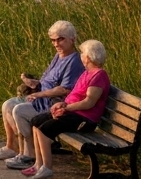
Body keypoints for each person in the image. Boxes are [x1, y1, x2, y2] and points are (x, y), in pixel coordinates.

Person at [0, 21, 85, 170]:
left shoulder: (74, 61)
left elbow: (64, 90)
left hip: (52, 105)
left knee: (19, 111)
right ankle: (12, 146)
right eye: (53, 40)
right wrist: (32, 83)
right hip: (41, 99)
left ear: (72, 39)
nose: (56, 43)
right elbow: (47, 81)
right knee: (7, 105)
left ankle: (29, 154)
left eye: (60, 39)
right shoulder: (59, 55)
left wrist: (40, 94)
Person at [22, 39, 110, 179]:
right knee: (36, 121)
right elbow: (74, 95)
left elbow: (89, 103)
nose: (80, 55)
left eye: (82, 53)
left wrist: (66, 108)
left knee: (45, 129)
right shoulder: (87, 73)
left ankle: (47, 167)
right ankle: (38, 164)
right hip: (73, 113)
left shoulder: (99, 75)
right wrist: (61, 105)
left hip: (84, 119)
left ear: (87, 57)